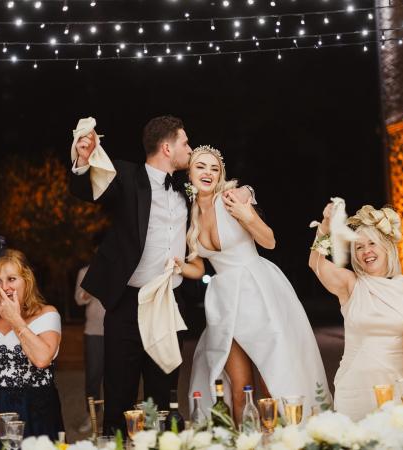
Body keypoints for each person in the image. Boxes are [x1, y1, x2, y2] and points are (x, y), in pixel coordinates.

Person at [70, 116, 252, 434]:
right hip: (127, 305)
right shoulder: (127, 175)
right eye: (185, 143)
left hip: (170, 303)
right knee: (119, 399)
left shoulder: (188, 188)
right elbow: (87, 189)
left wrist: (244, 194)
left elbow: (219, 191)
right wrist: (84, 160)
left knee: (164, 399)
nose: (190, 149)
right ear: (167, 147)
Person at [178, 146, 329, 425]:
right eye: (201, 166)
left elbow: (269, 241)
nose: (208, 173)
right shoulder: (192, 216)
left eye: (214, 168)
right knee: (239, 388)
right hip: (225, 303)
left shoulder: (233, 198)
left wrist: (247, 216)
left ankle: (281, 441)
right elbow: (198, 267)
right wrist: (175, 265)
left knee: (272, 380)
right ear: (189, 172)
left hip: (256, 290)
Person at [308, 202, 403, 421]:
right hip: (353, 391)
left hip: (398, 389)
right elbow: (316, 263)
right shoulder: (351, 285)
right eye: (359, 247)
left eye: (372, 244)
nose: (366, 252)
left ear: (386, 247)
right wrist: (325, 225)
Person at [0, 249, 63, 444]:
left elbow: (42, 359)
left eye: (11, 279)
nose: (4, 287)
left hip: (36, 414)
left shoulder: (47, 314)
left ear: (27, 280)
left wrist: (15, 319)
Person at [74, 262, 105, 433]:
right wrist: (94, 282)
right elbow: (79, 299)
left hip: (119, 330)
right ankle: (91, 416)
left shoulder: (121, 267)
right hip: (94, 331)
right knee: (93, 376)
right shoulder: (85, 271)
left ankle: (114, 418)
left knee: (118, 377)